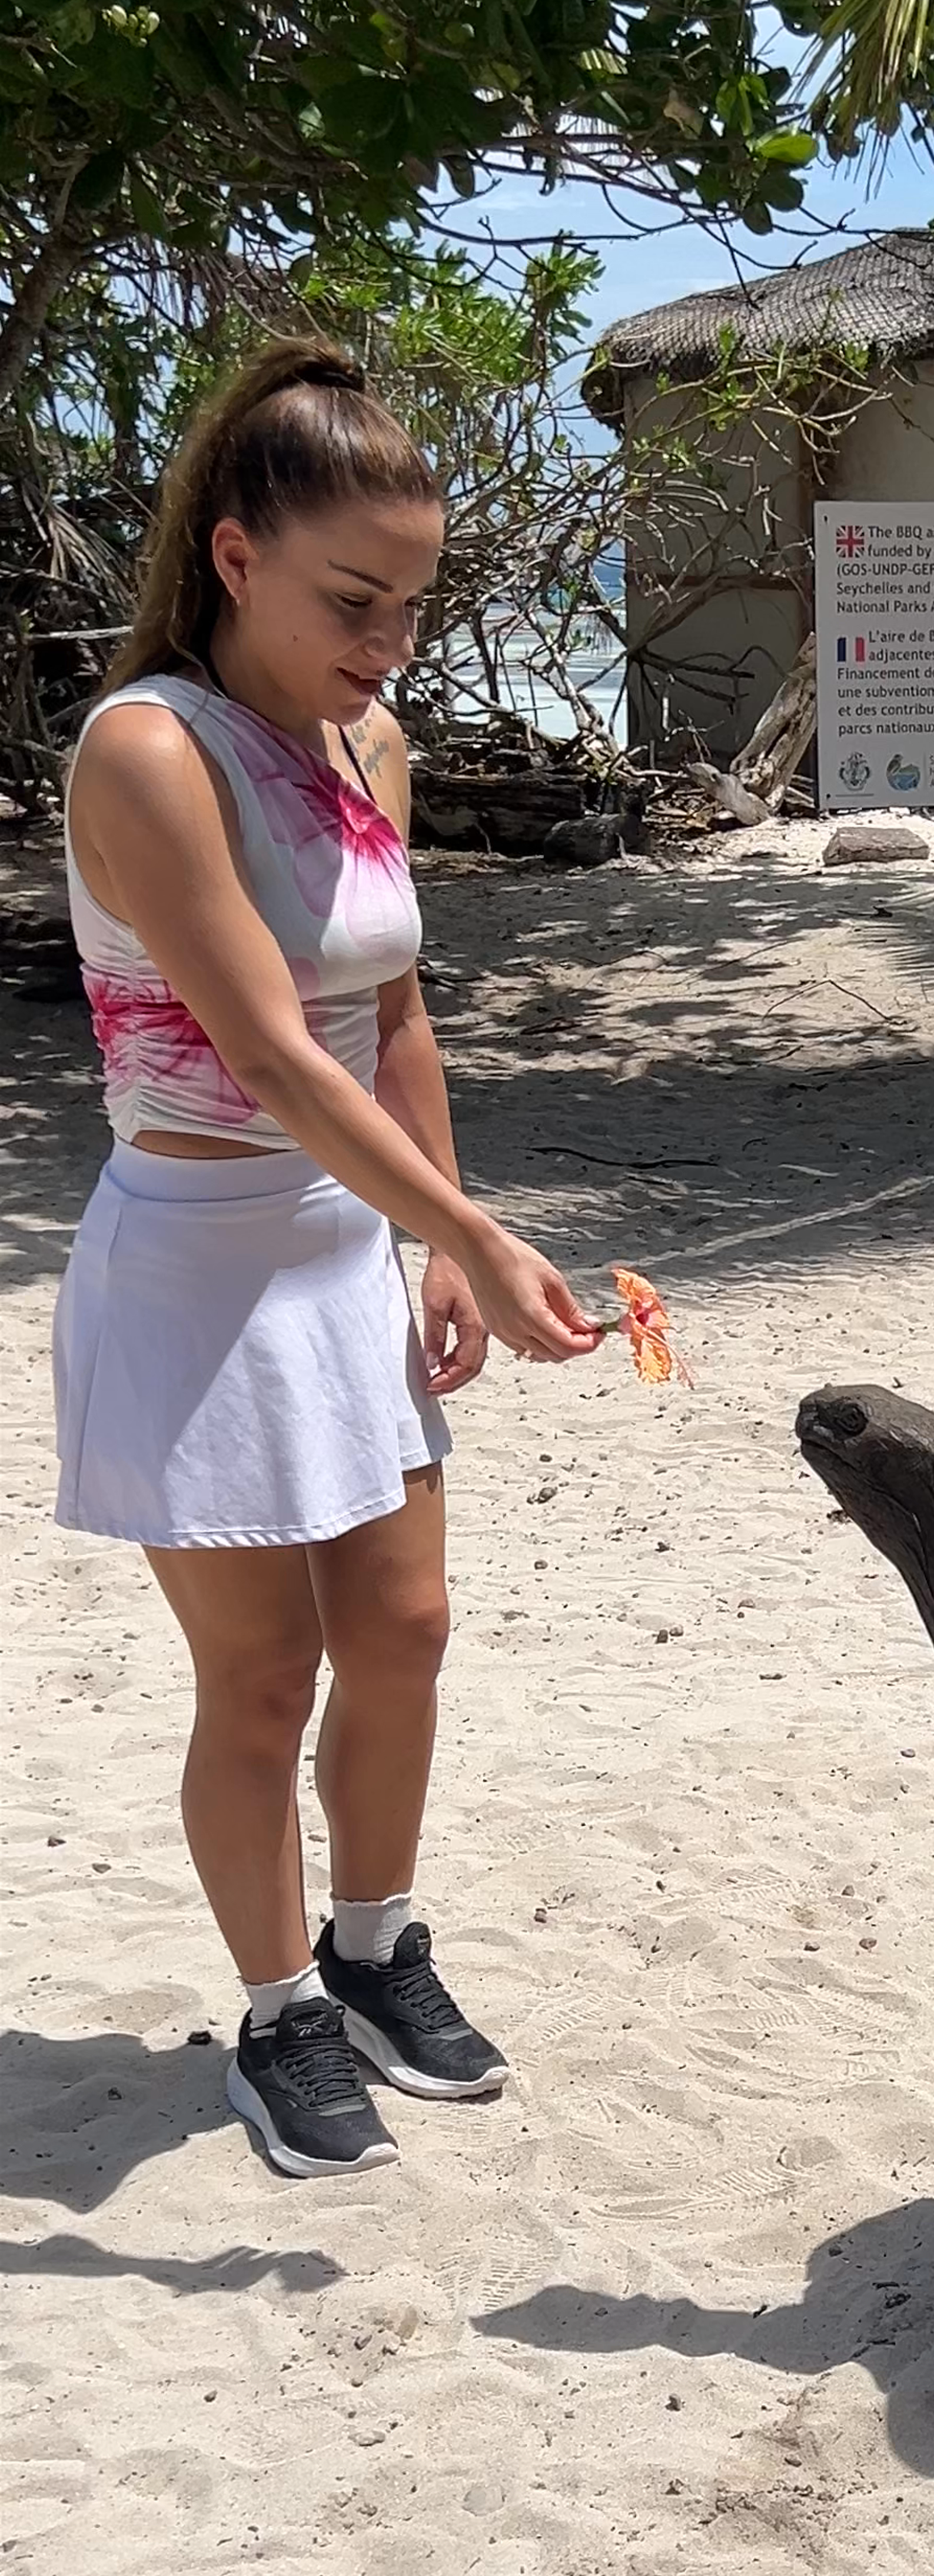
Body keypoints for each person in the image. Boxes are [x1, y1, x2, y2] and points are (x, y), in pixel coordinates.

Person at [52, 337, 603, 2179]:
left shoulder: (364, 740)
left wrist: (435, 1238)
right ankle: (277, 2010)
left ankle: (375, 1950)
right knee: (263, 1677)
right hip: (199, 1264)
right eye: (354, 600)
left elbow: (387, 1008)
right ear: (233, 558)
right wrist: (475, 1231)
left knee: (406, 1631)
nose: (390, 642)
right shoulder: (149, 751)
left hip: (344, 1246)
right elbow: (272, 1050)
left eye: (416, 603)